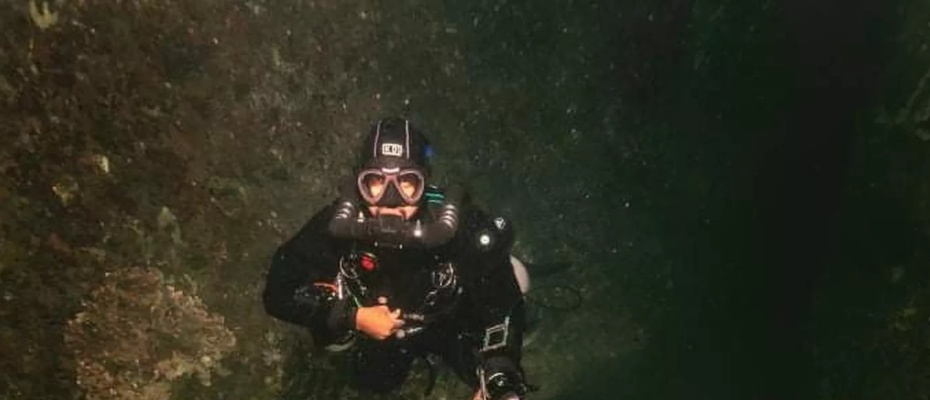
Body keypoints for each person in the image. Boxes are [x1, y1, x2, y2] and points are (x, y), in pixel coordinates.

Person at [262, 117, 533, 400]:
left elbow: (503, 302)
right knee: (370, 382)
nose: (391, 200)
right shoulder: (337, 226)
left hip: (448, 322)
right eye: (376, 181)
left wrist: (501, 366)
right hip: (373, 331)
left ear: (425, 183)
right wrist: (352, 317)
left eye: (406, 182)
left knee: (502, 381)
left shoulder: (460, 225)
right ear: (359, 183)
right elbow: (277, 293)